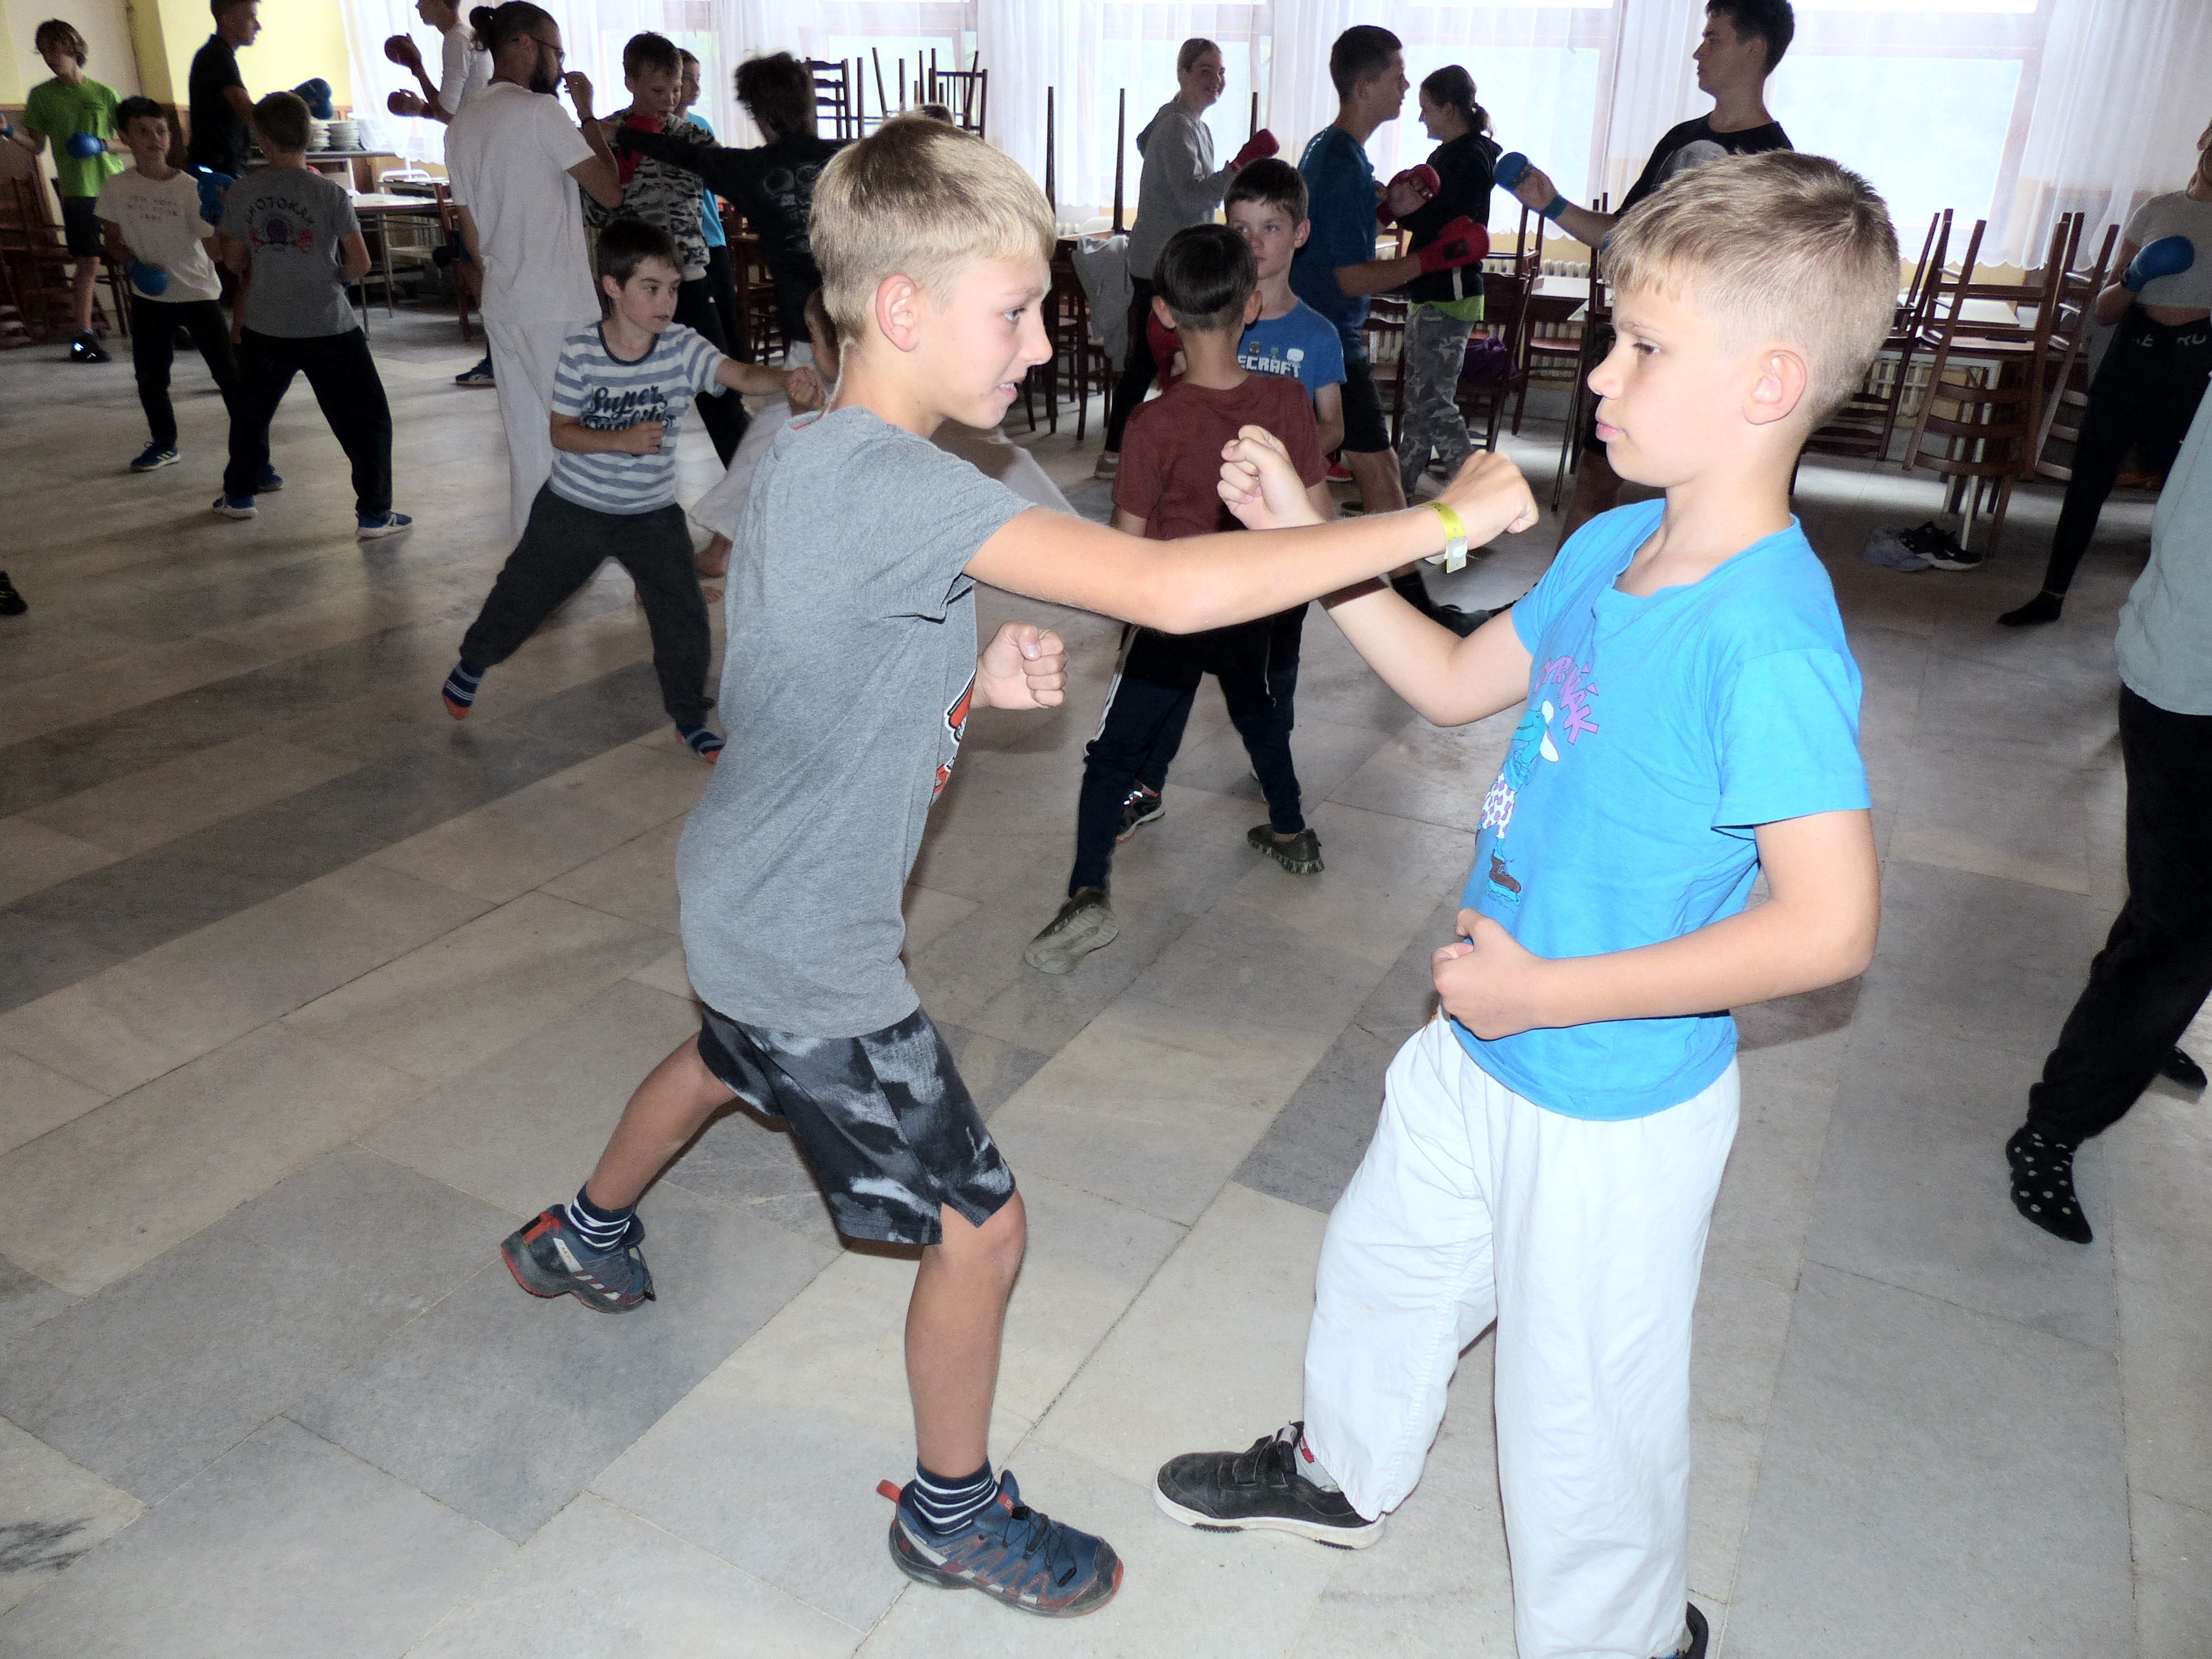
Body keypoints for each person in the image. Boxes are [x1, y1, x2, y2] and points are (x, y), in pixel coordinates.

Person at [494, 112, 1539, 1619]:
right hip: (812, 941)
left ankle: (582, 1230)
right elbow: (1166, 588)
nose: (1045, 340)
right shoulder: (904, 485)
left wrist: (965, 688)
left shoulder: (817, 447)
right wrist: (1432, 522)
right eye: (1012, 311)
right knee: (982, 1229)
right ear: (901, 307)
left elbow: (810, 668)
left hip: (741, 890)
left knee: (729, 1056)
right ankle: (950, 1509)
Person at [1154, 151, 1894, 1659]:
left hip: (1607, 1094)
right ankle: (1341, 1471)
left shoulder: (1766, 641)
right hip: (1485, 1030)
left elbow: (1831, 928)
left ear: (1768, 382)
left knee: (1579, 1409)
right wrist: (1303, 531)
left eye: (1644, 348)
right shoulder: (1617, 543)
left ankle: (1620, 1636)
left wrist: (1544, 994)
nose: (1598, 372)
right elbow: (1445, 681)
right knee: (1382, 1267)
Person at [1025, 224, 1334, 975]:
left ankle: (1087, 890)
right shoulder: (1287, 400)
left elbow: (1127, 546)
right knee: (1258, 717)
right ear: (1251, 306)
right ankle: (1292, 832)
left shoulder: (1153, 422)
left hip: (1172, 608)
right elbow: (1318, 521)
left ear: (1162, 312)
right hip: (1250, 602)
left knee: (1112, 754)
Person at [440, 217, 813, 758]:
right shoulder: (581, 352)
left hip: (651, 514)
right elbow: (561, 432)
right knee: (522, 598)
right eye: (651, 288)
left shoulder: (681, 346)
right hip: (574, 508)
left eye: (673, 289)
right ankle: (472, 663)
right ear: (612, 287)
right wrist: (621, 440)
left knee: (684, 616)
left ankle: (689, 717)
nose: (667, 302)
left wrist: (785, 379)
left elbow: (737, 374)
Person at [2004, 382, 2212, 1241]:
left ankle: (2135, 1030)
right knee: (2184, 929)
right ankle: (2055, 1127)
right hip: (2194, 684)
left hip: (2185, 668)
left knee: (2173, 899)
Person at [1114, 156, 1348, 847]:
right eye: (1241, 227)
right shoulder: (1252, 371)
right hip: (1236, 570)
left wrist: (1283, 457)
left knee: (1207, 688)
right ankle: (1278, 820)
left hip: (1228, 571)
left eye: (1269, 227)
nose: (1254, 240)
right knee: (1225, 693)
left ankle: (1170, 788)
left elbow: (1125, 538)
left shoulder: (1311, 337)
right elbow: (1315, 513)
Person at [1503, 0, 1794, 549]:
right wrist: (1552, 204)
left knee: (1698, 506)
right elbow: (1623, 235)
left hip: (1711, 366)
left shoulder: (1775, 164)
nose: (1697, 51)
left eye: (1713, 37)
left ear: (1754, 48)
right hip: (1638, 351)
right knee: (1594, 480)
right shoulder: (1679, 140)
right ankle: (1563, 595)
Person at [1292, 25, 1489, 632]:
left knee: (1365, 471)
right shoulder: (1341, 161)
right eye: (1397, 76)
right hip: (1327, 337)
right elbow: (1348, 277)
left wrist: (1385, 212)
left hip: (1320, 332)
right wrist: (1433, 258)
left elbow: (1323, 240)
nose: (1407, 87)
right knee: (1369, 472)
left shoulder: (1335, 152)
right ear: (1364, 86)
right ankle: (1410, 610)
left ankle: (1409, 607)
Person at [1999, 117, 2212, 627]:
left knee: (2183, 496)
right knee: (2089, 480)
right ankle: (2051, 595)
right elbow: (2104, 311)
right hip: (2134, 353)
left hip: (2194, 363)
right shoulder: (2156, 211)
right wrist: (2134, 278)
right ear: (2205, 140)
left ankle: (2168, 616)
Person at [445, 1, 624, 539]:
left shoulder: (462, 123)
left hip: (505, 304)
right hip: (556, 305)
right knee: (593, 439)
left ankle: (535, 564)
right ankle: (628, 564)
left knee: (530, 445)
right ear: (523, 44)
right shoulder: (541, 111)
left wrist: (496, 288)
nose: (561, 66)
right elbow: (610, 191)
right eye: (556, 52)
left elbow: (471, 233)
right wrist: (587, 115)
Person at [211, 92, 408, 538]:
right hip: (329, 324)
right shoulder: (330, 192)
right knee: (367, 419)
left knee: (251, 412)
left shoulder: (243, 190)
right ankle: (374, 514)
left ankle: (239, 496)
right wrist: (332, 277)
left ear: (263, 140)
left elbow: (235, 261)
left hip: (265, 324)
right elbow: (361, 264)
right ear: (308, 136)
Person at [1095, 38, 1277, 479]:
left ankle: (1147, 447)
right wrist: (1238, 167)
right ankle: (1117, 452)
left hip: (1171, 258)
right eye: (1205, 70)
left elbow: (1195, 197)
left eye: (1221, 71)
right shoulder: (1177, 126)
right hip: (1161, 262)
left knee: (1163, 358)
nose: (1217, 79)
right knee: (1151, 359)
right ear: (1183, 74)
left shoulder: (1192, 124)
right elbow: (1191, 196)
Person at [585, 32, 745, 466]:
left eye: (675, 90)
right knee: (634, 395)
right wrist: (611, 147)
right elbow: (596, 211)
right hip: (633, 290)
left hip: (689, 279)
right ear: (630, 82)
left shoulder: (691, 138)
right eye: (658, 90)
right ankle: (633, 488)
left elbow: (732, 177)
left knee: (720, 389)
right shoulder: (605, 137)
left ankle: (749, 486)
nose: (669, 100)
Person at [612, 51, 842, 352]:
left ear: (761, 115)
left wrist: (620, 134)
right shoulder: (852, 159)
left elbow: (685, 155)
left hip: (806, 329)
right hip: (860, 317)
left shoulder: (749, 171)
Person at [97, 96, 241, 473]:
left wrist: (222, 220)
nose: (155, 138)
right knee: (150, 377)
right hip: (150, 297)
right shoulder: (115, 187)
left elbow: (215, 253)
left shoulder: (190, 188)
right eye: (143, 131)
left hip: (197, 293)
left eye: (161, 131)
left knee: (229, 375)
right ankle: (164, 444)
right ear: (124, 137)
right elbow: (111, 239)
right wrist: (132, 265)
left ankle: (254, 456)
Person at [1394, 66, 1501, 504]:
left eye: (1427, 109)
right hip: (1432, 290)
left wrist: (1401, 207)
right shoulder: (1452, 154)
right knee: (1420, 402)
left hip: (1447, 292)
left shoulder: (1467, 158)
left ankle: (1479, 495)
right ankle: (1397, 492)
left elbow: (1444, 222)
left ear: (1450, 109)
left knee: (1434, 403)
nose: (1421, 118)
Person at [381, 0, 496, 387]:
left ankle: (498, 357)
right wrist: (420, 108)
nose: (417, 5)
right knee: (476, 261)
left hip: (473, 161)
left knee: (477, 263)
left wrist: (417, 71)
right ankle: (498, 355)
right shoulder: (469, 37)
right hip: (480, 157)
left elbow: (447, 111)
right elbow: (459, 110)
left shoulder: (456, 39)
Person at [15, 19, 123, 363]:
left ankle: (168, 321)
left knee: (137, 253)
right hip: (78, 191)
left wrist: (100, 144)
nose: (49, 58)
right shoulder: (41, 96)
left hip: (115, 186)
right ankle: (83, 337)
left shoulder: (104, 94)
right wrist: (7, 132)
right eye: (43, 51)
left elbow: (129, 141)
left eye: (54, 49)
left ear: (73, 48)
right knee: (88, 261)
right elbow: (36, 147)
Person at [674, 49, 745, 357]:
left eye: (698, 79)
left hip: (713, 239)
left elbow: (719, 178)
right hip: (681, 246)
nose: (695, 86)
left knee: (729, 318)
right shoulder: (655, 132)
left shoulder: (701, 127)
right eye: (688, 79)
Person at [186, 0, 260, 183]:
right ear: (228, 20)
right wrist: (291, 102)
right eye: (251, 17)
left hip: (219, 169)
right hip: (216, 174)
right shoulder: (218, 56)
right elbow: (249, 114)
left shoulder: (217, 54)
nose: (258, 26)